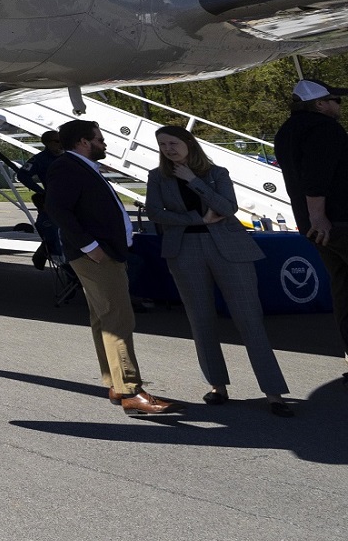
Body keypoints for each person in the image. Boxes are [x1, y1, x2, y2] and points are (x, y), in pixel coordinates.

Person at [144, 125, 292, 416]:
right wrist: (197, 218)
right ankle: (217, 386)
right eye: (162, 145)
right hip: (184, 251)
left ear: (189, 143)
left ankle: (273, 392)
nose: (168, 149)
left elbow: (228, 207)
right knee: (200, 319)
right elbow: (155, 212)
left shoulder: (216, 173)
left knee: (249, 319)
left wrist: (193, 180)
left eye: (173, 143)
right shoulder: (157, 177)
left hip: (230, 250)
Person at [44, 118, 180, 416]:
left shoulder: (80, 167)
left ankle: (118, 384)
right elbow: (57, 209)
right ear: (83, 142)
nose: (103, 144)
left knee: (104, 318)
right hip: (97, 256)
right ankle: (131, 390)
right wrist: (91, 247)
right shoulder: (67, 167)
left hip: (102, 253)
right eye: (99, 139)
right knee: (118, 319)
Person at [274, 79, 348, 374]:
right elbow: (316, 176)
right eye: (335, 100)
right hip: (338, 221)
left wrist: (312, 220)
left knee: (343, 289)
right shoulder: (324, 129)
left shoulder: (286, 132)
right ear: (320, 104)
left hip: (315, 228)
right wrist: (319, 215)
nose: (338, 105)